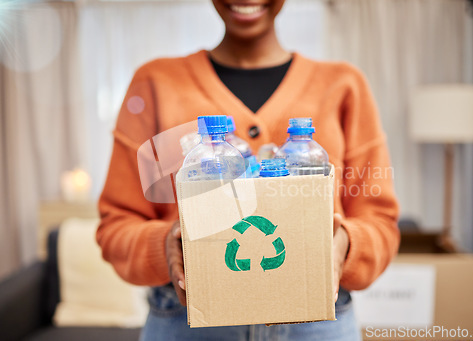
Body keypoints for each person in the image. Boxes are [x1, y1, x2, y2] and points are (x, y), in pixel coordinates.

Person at [97, 0, 400, 340]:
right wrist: (165, 246)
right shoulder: (155, 83)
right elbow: (115, 228)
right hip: (187, 317)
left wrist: (344, 244)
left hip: (316, 318)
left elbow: (382, 225)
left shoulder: (344, 86)